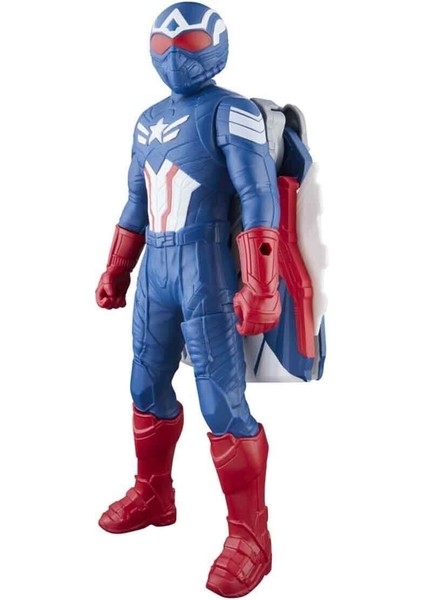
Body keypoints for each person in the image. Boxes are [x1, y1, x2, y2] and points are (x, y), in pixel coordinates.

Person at [96, 3, 281, 596]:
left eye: (191, 42)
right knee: (144, 385)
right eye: (163, 45)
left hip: (207, 266)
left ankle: (251, 538)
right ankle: (154, 494)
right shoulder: (147, 120)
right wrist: (117, 268)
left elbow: (259, 195)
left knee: (220, 402)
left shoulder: (233, 110)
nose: (175, 56)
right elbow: (136, 201)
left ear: (216, 46)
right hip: (157, 268)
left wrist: (261, 283)